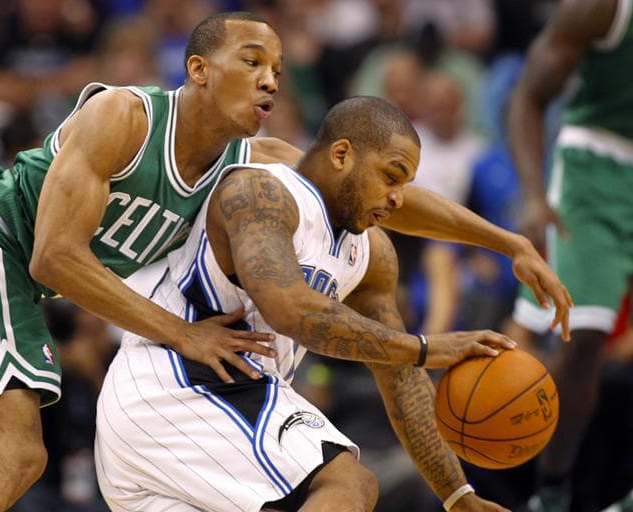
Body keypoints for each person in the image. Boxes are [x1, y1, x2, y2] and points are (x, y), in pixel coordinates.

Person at [0, 10, 571, 511]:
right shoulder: (126, 118)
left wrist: (505, 241)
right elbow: (52, 257)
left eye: (278, 68)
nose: (270, 79)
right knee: (15, 454)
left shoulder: (252, 162)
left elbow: (381, 190)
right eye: (251, 61)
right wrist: (183, 334)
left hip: (4, 287)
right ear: (198, 69)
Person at [94, 96, 570, 512]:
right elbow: (290, 309)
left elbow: (399, 375)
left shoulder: (368, 253)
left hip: (211, 407)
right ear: (342, 154)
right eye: (391, 176)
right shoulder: (262, 192)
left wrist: (456, 494)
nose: (398, 197)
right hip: (176, 383)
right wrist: (426, 347)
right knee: (347, 482)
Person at [504, 0, 633, 509]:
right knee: (584, 336)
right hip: (594, 169)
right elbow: (527, 99)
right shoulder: (601, 8)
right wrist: (535, 198)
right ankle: (552, 490)